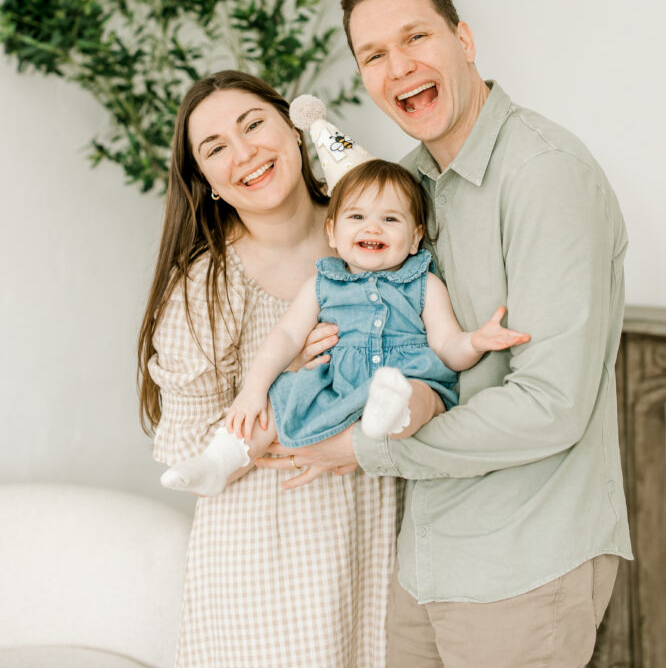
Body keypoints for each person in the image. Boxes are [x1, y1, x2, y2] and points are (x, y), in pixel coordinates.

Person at [261, 0, 633, 668]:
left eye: (415, 37)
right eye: (373, 55)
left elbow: (551, 405)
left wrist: (365, 450)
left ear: (462, 40)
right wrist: (316, 358)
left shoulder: (543, 174)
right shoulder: (405, 189)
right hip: (425, 558)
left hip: (523, 564)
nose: (398, 66)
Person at [136, 70, 399, 668]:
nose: (245, 152)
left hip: (381, 537)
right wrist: (285, 393)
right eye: (216, 148)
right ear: (209, 185)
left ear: (293, 127)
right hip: (265, 564)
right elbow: (188, 454)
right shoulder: (209, 286)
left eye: (253, 124)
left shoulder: (378, 234)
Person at [161, 158, 530, 497]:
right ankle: (219, 462)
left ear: (416, 237)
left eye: (390, 219)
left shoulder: (423, 285)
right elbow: (286, 336)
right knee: (276, 401)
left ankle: (392, 414)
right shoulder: (322, 285)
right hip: (336, 384)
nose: (373, 226)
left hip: (408, 376)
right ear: (333, 233)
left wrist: (475, 342)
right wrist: (254, 389)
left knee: (420, 396)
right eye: (357, 217)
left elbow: (447, 347)